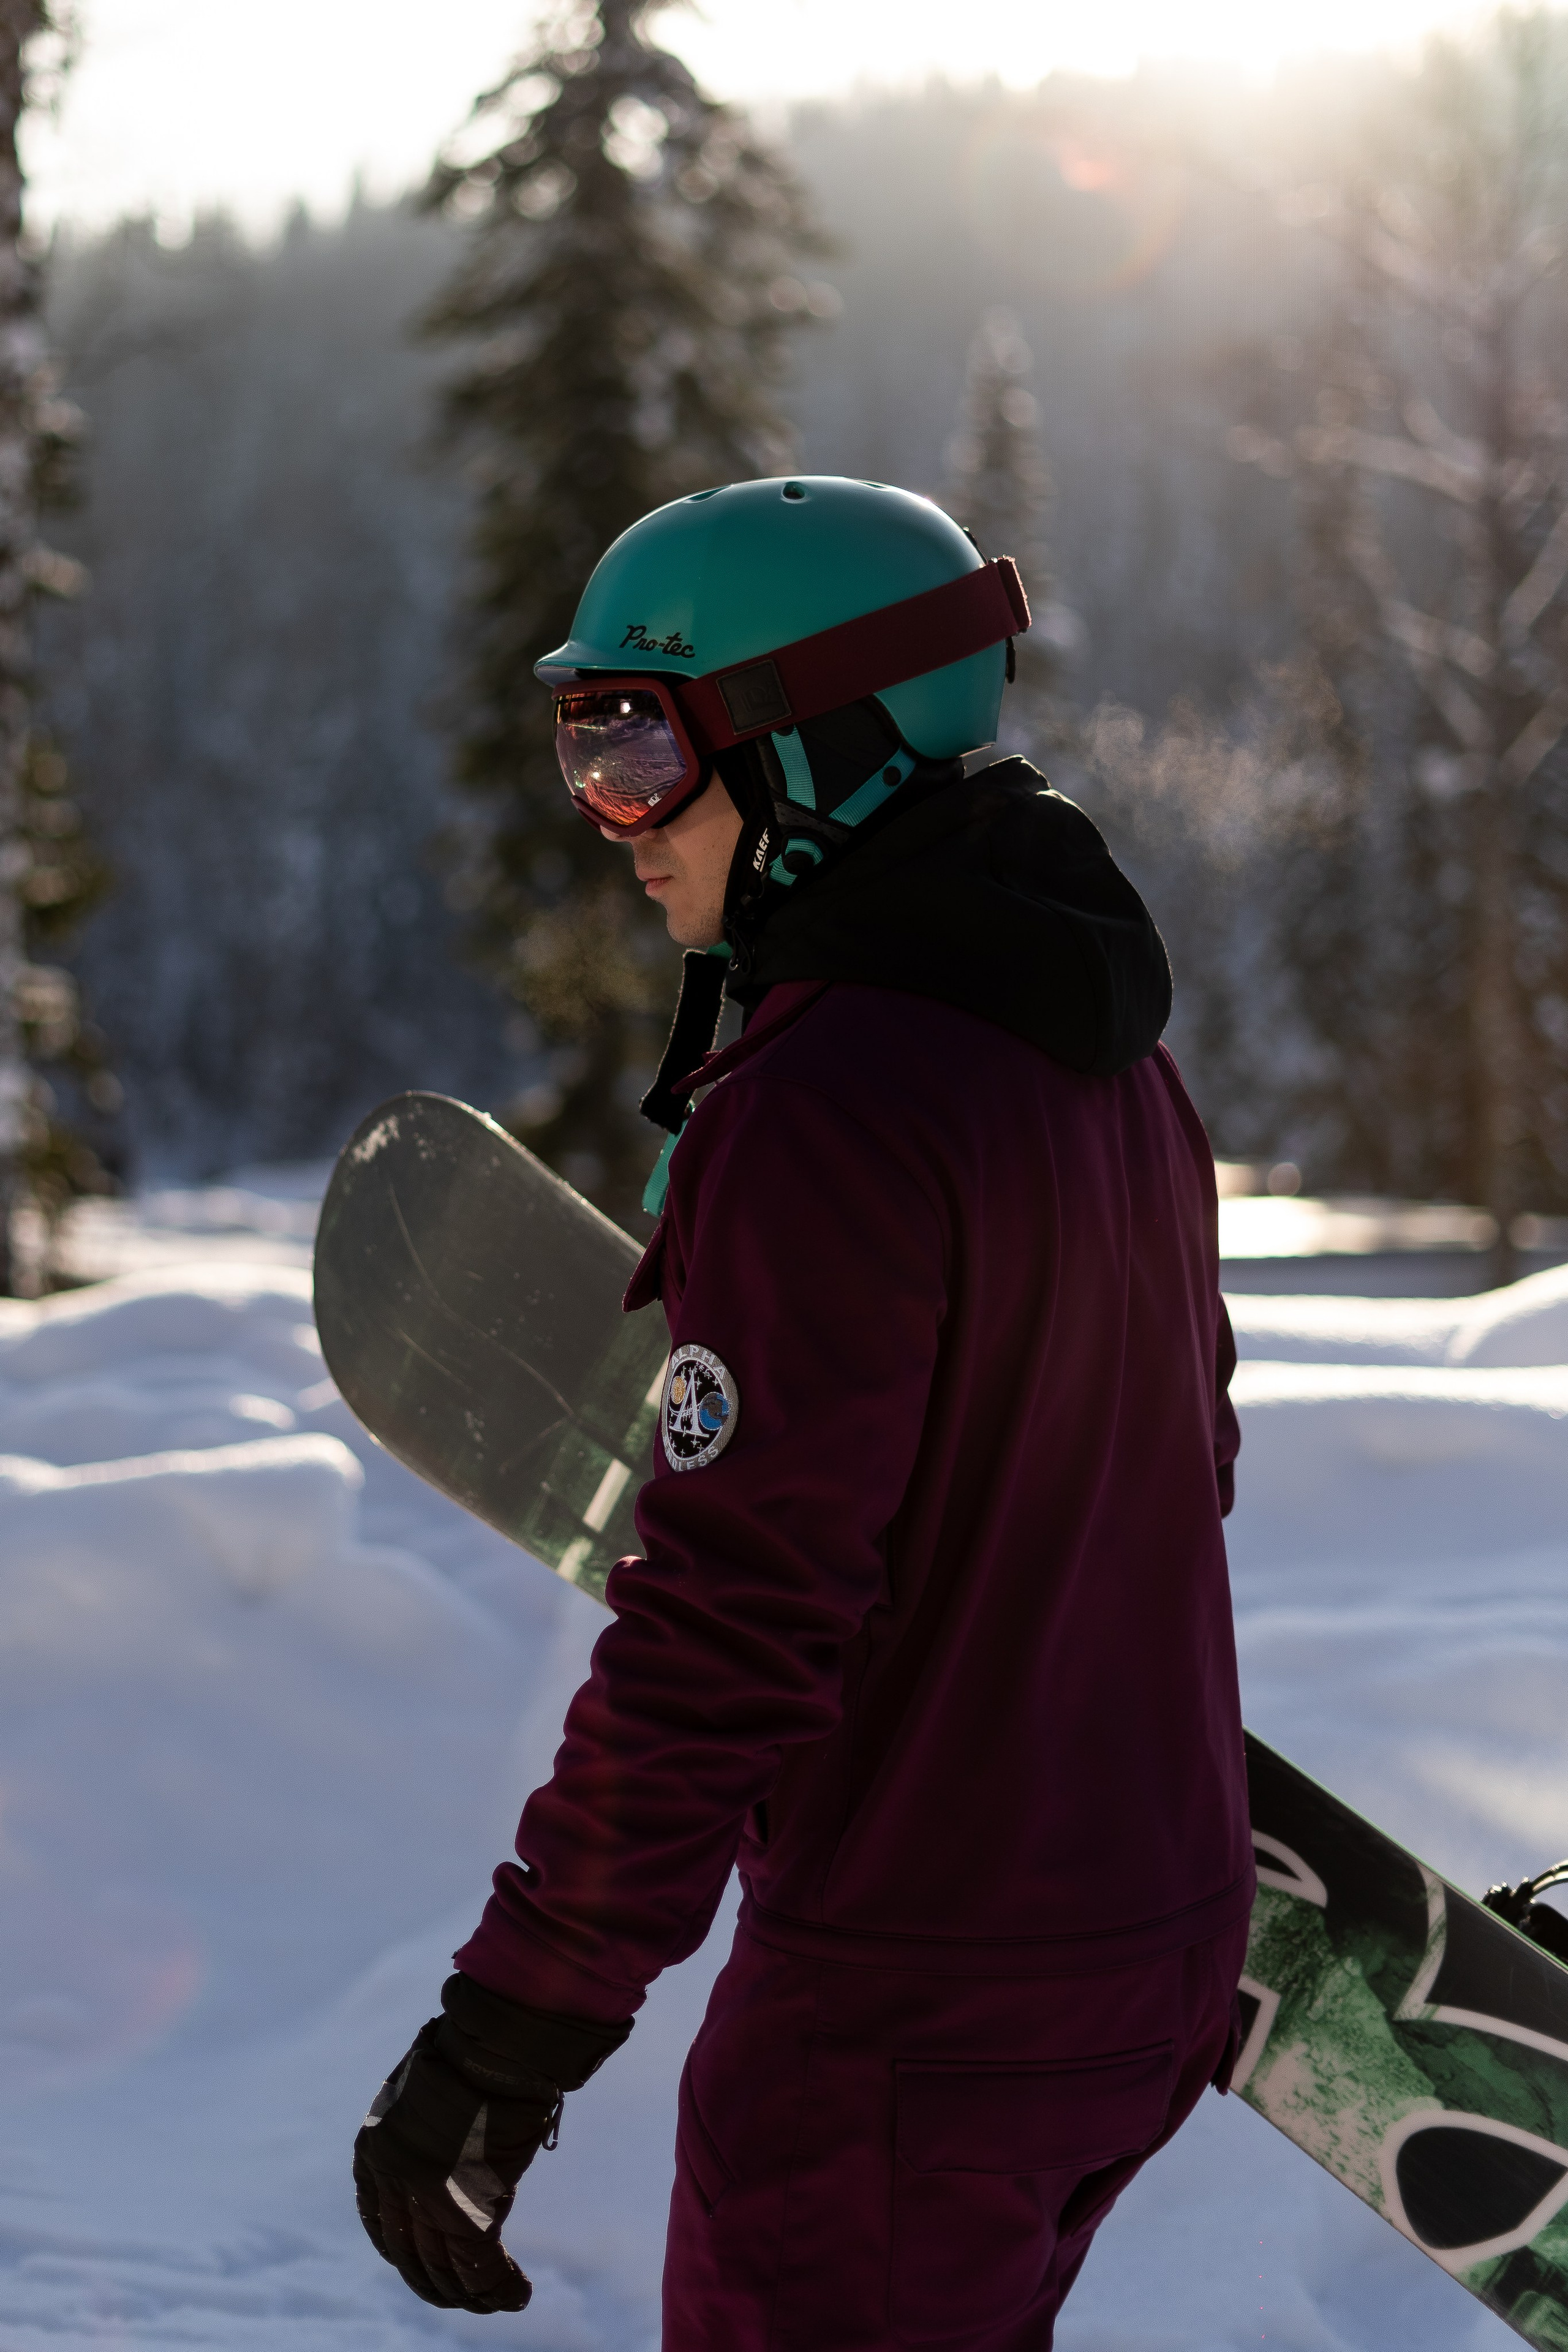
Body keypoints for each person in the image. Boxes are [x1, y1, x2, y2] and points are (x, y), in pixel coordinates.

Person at [353, 477, 1253, 2348]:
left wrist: (516, 2025)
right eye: (581, 741)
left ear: (814, 747)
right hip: (1142, 1970)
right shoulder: (1106, 1053)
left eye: (637, 741)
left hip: (909, 2015)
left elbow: (735, 1623)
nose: (614, 816)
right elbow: (1187, 1464)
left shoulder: (829, 1099)